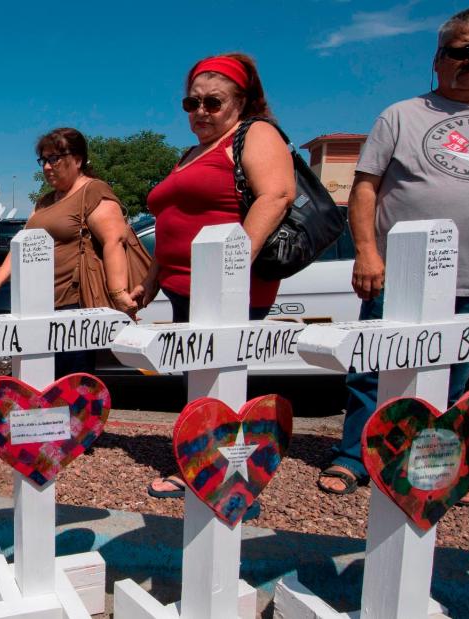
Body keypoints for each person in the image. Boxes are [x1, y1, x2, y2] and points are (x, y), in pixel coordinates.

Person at [318, 5, 469, 498]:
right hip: (401, 275)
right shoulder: (401, 116)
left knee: (453, 379)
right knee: (374, 370)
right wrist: (367, 251)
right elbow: (364, 188)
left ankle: (426, 465)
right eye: (461, 50)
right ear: (439, 57)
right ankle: (356, 458)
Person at [138, 53, 296, 501]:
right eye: (192, 103)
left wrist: (231, 267)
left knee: (220, 381)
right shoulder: (194, 152)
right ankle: (202, 466)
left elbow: (277, 195)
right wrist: (153, 278)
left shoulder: (254, 133)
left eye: (213, 102)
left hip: (228, 288)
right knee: (199, 381)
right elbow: (171, 219)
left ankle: (224, 480)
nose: (201, 112)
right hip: (187, 286)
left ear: (241, 102)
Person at [0, 128, 138, 376]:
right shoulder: (45, 201)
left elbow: (115, 240)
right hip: (37, 306)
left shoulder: (93, 191)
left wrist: (118, 293)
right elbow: (24, 242)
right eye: (43, 160)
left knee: (73, 387)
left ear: (77, 160)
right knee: (39, 381)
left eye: (54, 159)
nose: (47, 167)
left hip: (73, 307)